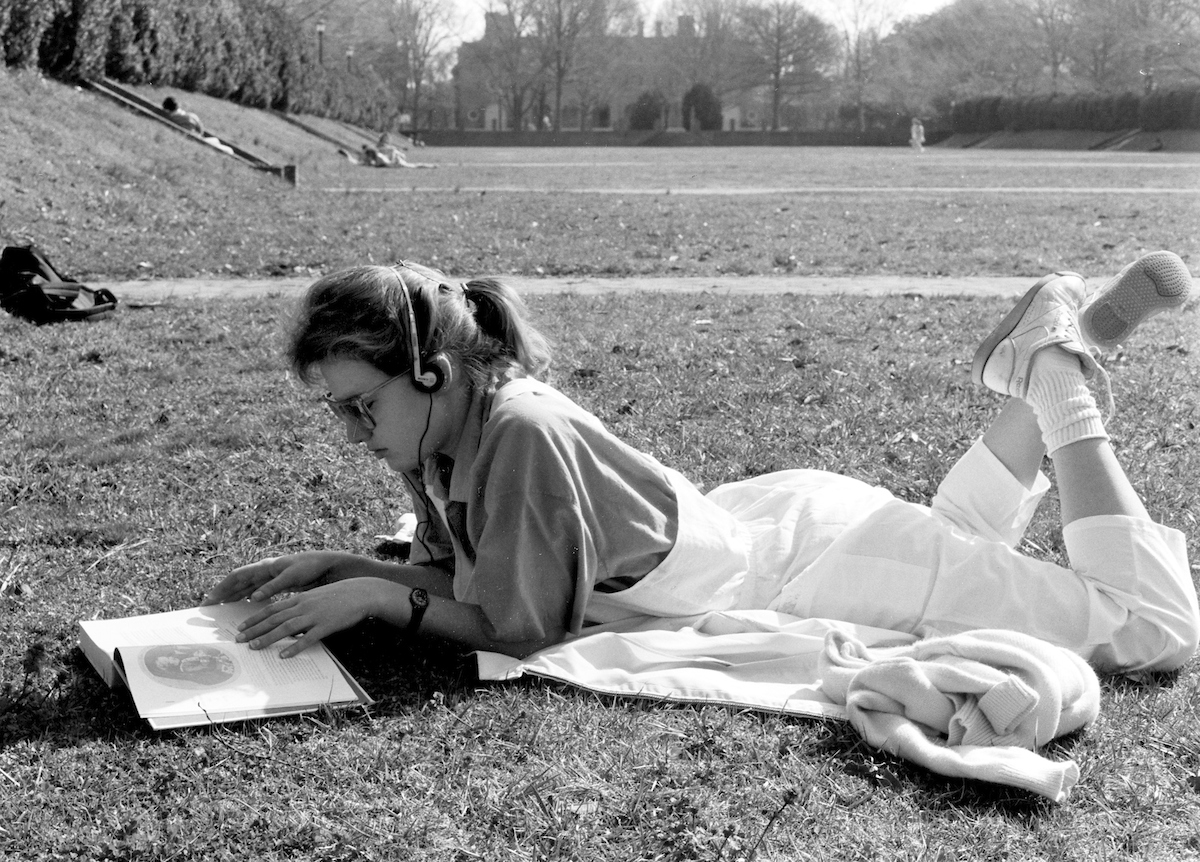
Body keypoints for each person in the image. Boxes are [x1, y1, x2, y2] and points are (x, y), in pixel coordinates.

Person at [204, 252, 1198, 674]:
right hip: (798, 537)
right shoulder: (448, 427)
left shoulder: (519, 436)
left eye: (361, 405)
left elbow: (518, 629)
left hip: (819, 565)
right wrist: (347, 570)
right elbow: (471, 574)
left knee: (1152, 626)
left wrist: (378, 598)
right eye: (340, 411)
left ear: (430, 370)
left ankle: (1056, 375)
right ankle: (1057, 351)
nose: (354, 432)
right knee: (962, 545)